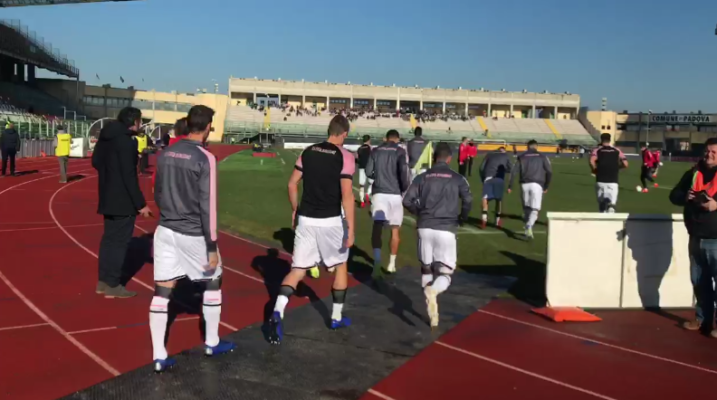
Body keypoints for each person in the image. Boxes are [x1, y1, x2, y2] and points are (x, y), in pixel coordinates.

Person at [150, 105, 235, 372]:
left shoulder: (165, 153)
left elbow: (157, 192)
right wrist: (212, 246)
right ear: (208, 127)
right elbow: (208, 205)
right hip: (193, 233)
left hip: (165, 230)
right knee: (214, 280)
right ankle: (211, 341)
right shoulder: (205, 157)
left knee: (162, 290)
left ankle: (159, 355)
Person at [268, 115, 356, 345]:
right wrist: (351, 228)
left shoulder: (308, 151)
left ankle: (278, 310)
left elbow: (291, 184)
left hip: (306, 219)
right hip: (331, 220)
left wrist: (295, 209)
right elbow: (347, 195)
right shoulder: (345, 156)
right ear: (344, 134)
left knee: (298, 270)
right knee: (340, 265)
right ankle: (336, 317)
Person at [403, 142, 472, 329]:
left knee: (426, 268)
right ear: (449, 159)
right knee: (445, 272)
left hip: (424, 227)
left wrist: (419, 213)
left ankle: (430, 311)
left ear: (434, 158)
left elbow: (407, 200)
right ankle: (433, 291)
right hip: (446, 228)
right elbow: (468, 199)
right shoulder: (458, 178)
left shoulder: (422, 177)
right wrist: (463, 217)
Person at [92, 107, 152, 298]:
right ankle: (113, 284)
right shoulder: (127, 142)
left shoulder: (106, 137)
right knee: (119, 243)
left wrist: (110, 173)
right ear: (133, 122)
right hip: (123, 199)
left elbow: (95, 162)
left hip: (107, 194)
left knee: (109, 240)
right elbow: (129, 176)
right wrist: (141, 204)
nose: (140, 125)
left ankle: (103, 281)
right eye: (140, 121)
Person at [669, 137, 717, 338]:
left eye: (714, 152)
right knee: (699, 282)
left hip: (715, 239)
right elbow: (673, 196)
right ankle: (702, 319)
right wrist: (686, 197)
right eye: (707, 151)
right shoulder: (693, 173)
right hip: (696, 237)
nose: (709, 155)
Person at [366, 129, 409, 274]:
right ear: (397, 139)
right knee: (395, 230)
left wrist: (377, 176)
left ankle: (377, 261)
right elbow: (404, 172)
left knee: (377, 228)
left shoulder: (376, 150)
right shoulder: (400, 151)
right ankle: (391, 264)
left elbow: (368, 172)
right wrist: (404, 187)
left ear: (386, 138)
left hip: (379, 192)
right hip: (395, 194)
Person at [508, 140, 552, 239]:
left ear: (527, 147)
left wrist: (510, 186)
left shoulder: (522, 157)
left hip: (524, 184)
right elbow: (549, 172)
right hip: (537, 184)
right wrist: (546, 186)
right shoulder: (543, 157)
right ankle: (529, 225)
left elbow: (513, 172)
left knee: (527, 208)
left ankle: (528, 230)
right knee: (535, 209)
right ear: (536, 147)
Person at [590, 133, 628, 213]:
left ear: (601, 140)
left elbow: (592, 161)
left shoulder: (597, 150)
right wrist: (617, 168)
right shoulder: (617, 150)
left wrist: (594, 170)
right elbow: (625, 164)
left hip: (600, 180)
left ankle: (602, 212)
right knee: (612, 204)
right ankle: (611, 207)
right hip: (613, 181)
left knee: (601, 204)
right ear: (610, 140)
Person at [479, 146, 511, 228]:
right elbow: (510, 168)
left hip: (488, 177)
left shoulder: (489, 154)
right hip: (499, 178)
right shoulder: (506, 156)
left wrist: (483, 178)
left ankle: (484, 218)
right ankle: (497, 220)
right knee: (498, 200)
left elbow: (481, 167)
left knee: (485, 198)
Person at [357, 134, 373, 208]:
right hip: (369, 167)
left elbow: (358, 158)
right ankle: (368, 194)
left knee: (361, 185)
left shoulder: (359, 148)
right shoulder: (370, 148)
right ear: (369, 140)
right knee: (371, 183)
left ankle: (362, 201)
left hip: (361, 168)